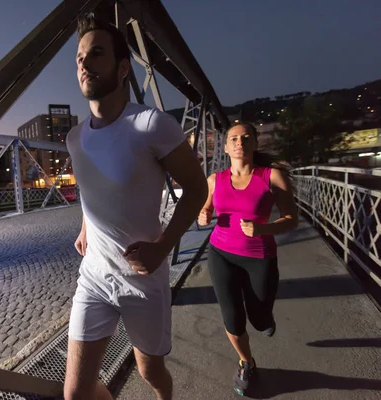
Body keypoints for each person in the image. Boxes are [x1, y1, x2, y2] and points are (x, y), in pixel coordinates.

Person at [63, 14, 208, 400]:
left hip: (143, 280)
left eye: (95, 53)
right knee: (75, 394)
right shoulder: (75, 138)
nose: (83, 63)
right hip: (94, 275)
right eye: (79, 57)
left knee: (150, 370)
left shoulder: (152, 125)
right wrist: (85, 226)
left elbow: (196, 189)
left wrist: (162, 249)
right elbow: (90, 188)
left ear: (123, 67)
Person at [197, 122, 299, 396]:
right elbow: (204, 210)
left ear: (254, 143)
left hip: (259, 257)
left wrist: (263, 228)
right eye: (233, 138)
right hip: (221, 253)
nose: (239, 142)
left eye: (245, 137)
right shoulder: (214, 180)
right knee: (232, 316)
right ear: (227, 147)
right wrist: (203, 215)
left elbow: (292, 219)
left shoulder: (272, 177)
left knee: (259, 317)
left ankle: (265, 318)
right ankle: (246, 362)